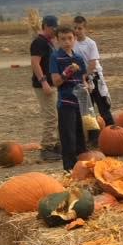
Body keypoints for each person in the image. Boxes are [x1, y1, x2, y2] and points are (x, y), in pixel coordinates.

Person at [50, 25, 88, 171]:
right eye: (63, 39)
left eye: (70, 38)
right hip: (66, 103)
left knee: (80, 139)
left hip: (80, 102)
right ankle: (69, 171)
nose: (67, 42)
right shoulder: (55, 57)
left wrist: (87, 86)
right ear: (57, 41)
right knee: (68, 139)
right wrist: (68, 72)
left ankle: (82, 169)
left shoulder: (78, 58)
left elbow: (83, 78)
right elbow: (56, 81)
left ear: (75, 39)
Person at [73, 15, 114, 128]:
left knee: (103, 107)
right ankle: (93, 135)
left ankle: (112, 129)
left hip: (93, 78)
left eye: (80, 28)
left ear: (85, 29)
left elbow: (92, 64)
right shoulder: (72, 44)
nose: (77, 31)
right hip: (80, 80)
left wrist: (85, 76)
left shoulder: (91, 44)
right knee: (87, 110)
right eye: (75, 28)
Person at [30, 14, 61, 162]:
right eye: (54, 28)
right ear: (47, 27)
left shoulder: (48, 41)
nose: (56, 31)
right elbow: (35, 63)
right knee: (51, 116)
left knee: (56, 115)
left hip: (51, 83)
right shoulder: (39, 42)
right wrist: (43, 82)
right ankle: (47, 148)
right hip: (43, 85)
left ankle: (55, 144)